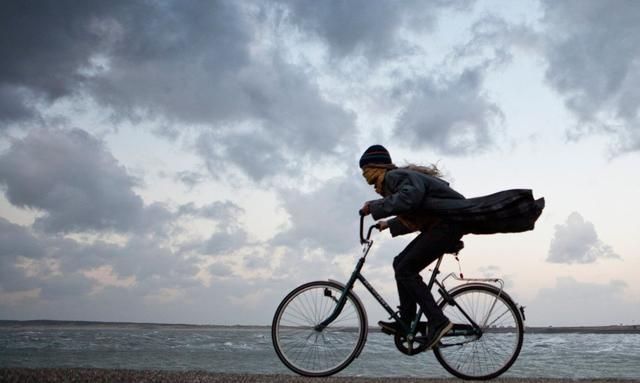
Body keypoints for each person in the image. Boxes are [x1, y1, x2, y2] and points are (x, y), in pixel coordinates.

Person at [358, 144, 544, 350]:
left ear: (376, 166)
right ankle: (407, 321)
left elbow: (411, 199)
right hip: (443, 225)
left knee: (405, 269)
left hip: (447, 226)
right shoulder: (394, 181)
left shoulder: (395, 177)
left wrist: (374, 207)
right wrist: (389, 223)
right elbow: (422, 209)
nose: (364, 175)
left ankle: (438, 321)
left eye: (365, 169)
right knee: (400, 263)